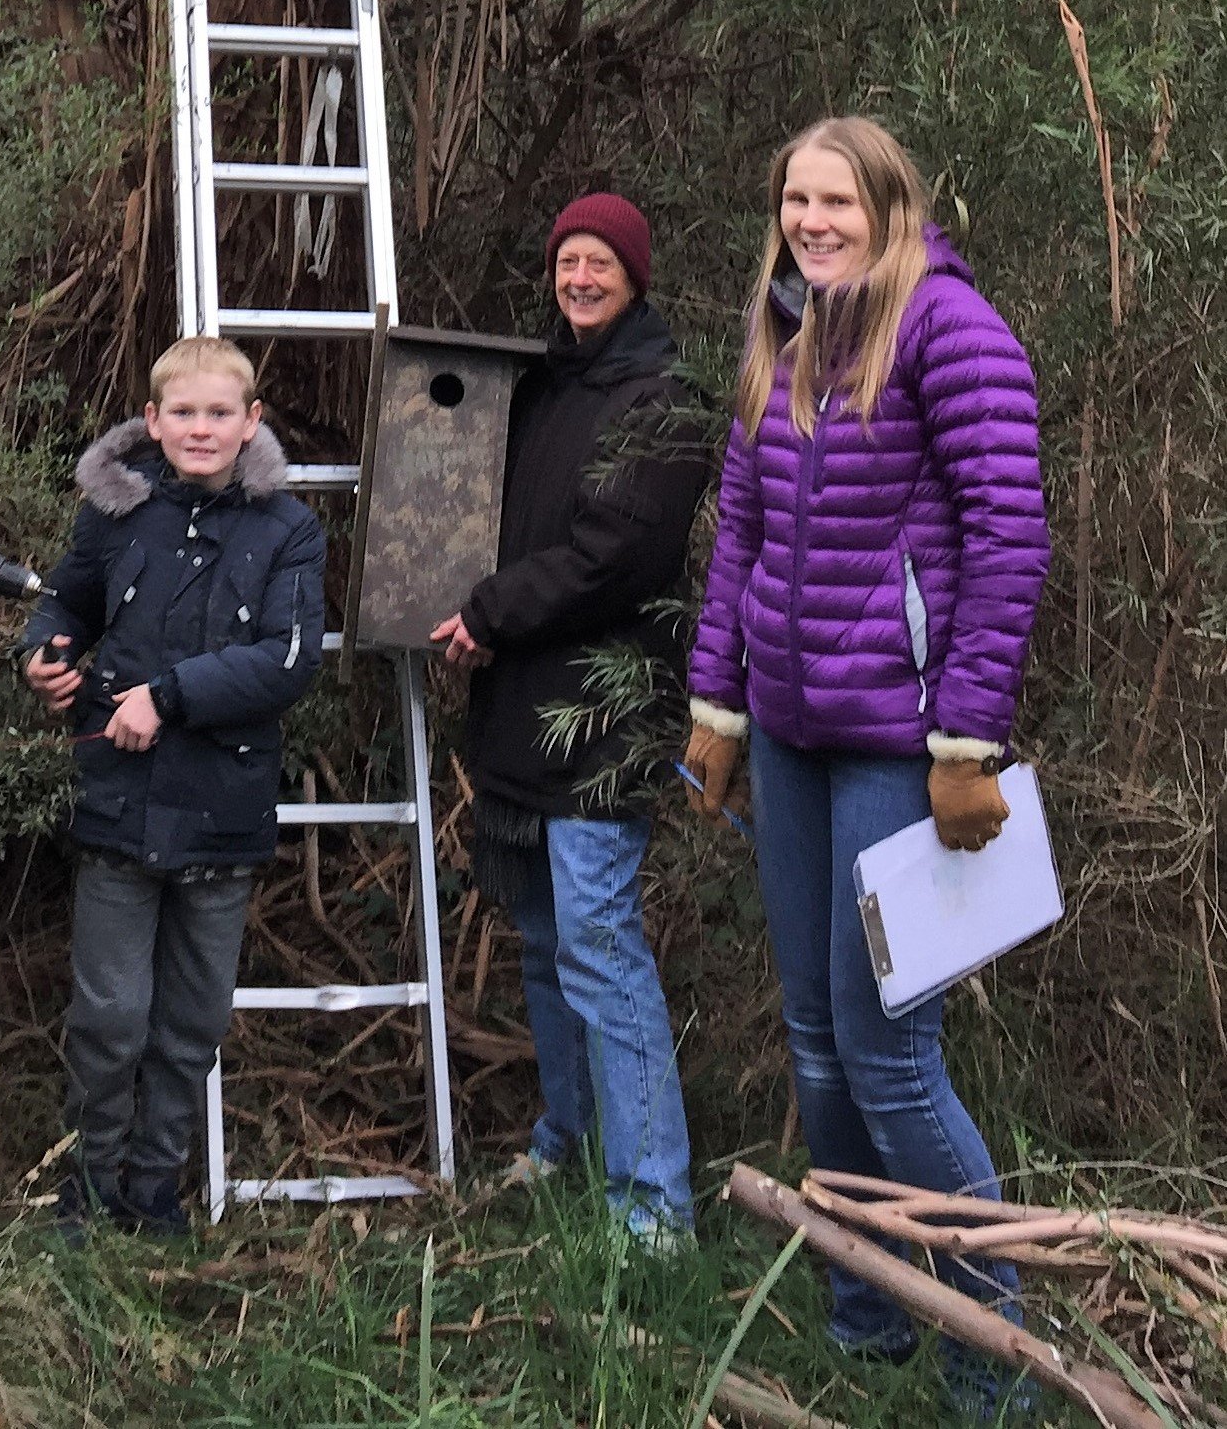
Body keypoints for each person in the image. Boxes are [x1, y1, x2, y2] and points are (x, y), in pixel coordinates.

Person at [685, 117, 1049, 1394]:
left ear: (892, 205)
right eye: (796, 198)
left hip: (903, 750)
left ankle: (988, 1354)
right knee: (817, 1037)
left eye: (837, 199)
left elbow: (1009, 535)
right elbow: (744, 535)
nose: (812, 220)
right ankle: (867, 1312)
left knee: (892, 1054)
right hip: (792, 736)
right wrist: (715, 707)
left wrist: (967, 741)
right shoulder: (787, 329)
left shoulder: (949, 327)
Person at [431, 193, 707, 1246]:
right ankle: (569, 1138)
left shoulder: (662, 398)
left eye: (600, 263)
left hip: (600, 719)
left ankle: (653, 1208)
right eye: (568, 261)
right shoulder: (543, 387)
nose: (580, 278)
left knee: (597, 941)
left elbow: (618, 557)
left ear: (636, 276)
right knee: (547, 940)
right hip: (519, 709)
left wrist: (488, 611)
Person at [23, 334, 325, 1234]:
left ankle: (156, 1195)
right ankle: (83, 1190)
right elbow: (65, 605)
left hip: (220, 814)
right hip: (117, 804)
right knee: (110, 1017)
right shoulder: (113, 516)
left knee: (190, 1024)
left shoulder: (288, 530)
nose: (201, 429)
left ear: (250, 423)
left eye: (220, 413)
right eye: (183, 413)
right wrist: (42, 653)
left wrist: (168, 695)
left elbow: (287, 658)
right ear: (151, 423)